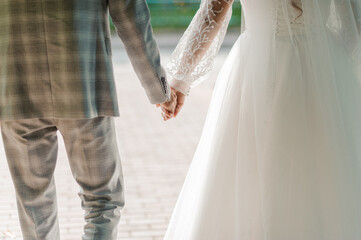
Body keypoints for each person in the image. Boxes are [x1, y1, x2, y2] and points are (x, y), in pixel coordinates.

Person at [161, 0, 361, 239]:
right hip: (325, 68)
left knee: (254, 173)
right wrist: (335, 68)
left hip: (259, 67)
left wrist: (180, 80)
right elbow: (354, 22)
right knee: (326, 172)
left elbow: (214, 10)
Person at [0, 0, 176, 239]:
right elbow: (130, 12)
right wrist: (159, 89)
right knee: (103, 200)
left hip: (15, 84)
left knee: (34, 207)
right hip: (85, 83)